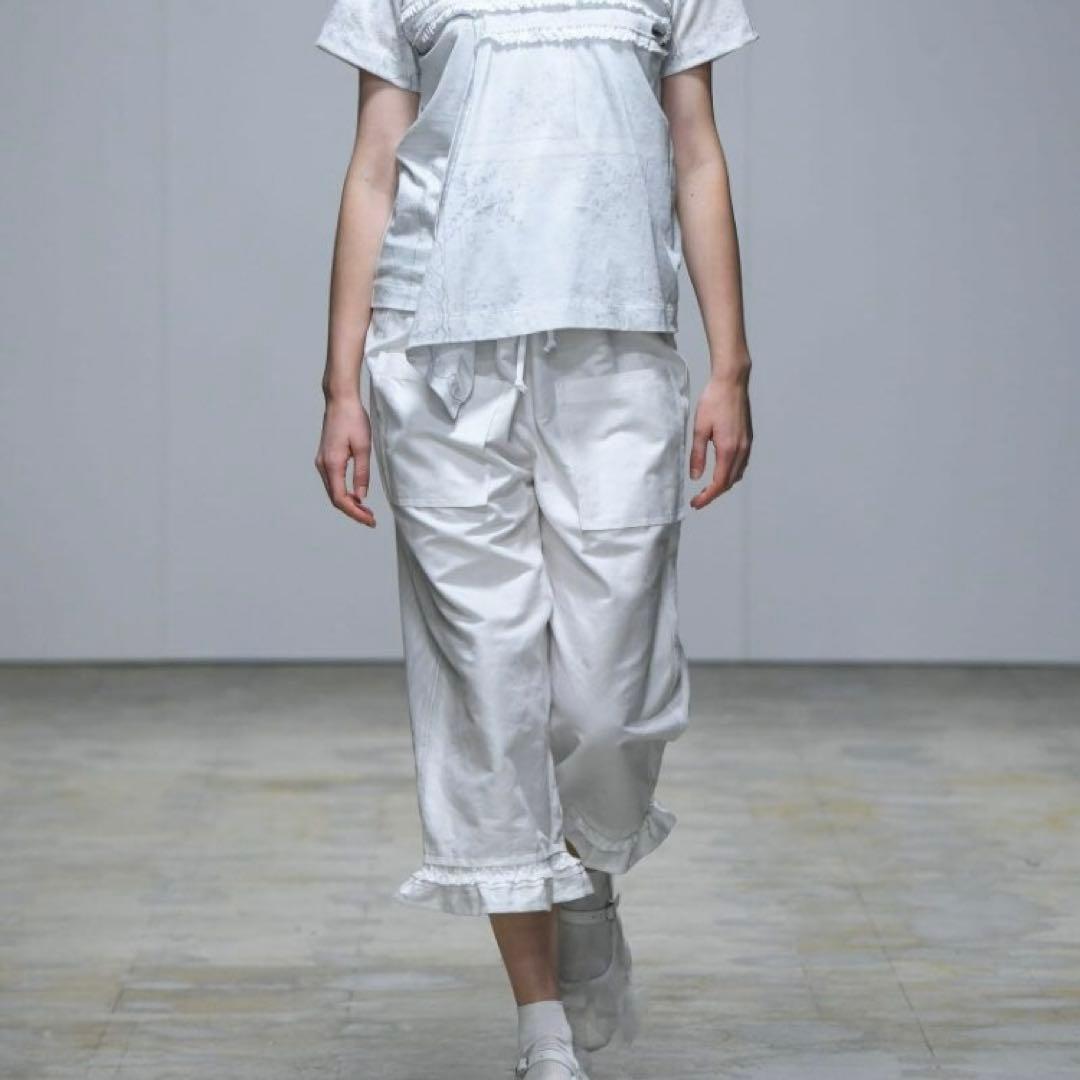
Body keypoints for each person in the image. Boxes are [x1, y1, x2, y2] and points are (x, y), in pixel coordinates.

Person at [313, 0, 757, 1075]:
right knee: (489, 683)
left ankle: (585, 884)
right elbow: (375, 165)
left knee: (607, 703)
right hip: (435, 354)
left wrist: (731, 364)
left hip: (615, 347)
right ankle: (541, 1024)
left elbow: (696, 150)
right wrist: (340, 385)